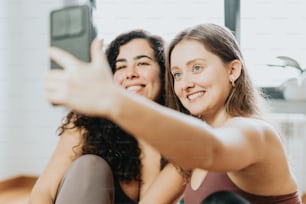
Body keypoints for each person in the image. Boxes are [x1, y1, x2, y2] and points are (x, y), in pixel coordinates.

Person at [44, 23, 302, 204]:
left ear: (233, 71)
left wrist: (113, 99)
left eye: (197, 68)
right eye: (177, 73)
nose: (185, 82)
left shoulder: (255, 132)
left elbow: (212, 150)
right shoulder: (189, 152)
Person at [29, 30, 186, 204]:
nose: (130, 73)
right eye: (121, 66)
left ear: (163, 72)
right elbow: (43, 192)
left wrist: (144, 129)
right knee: (90, 165)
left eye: (142, 63)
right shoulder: (86, 119)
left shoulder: (182, 138)